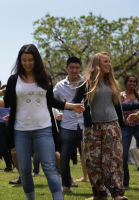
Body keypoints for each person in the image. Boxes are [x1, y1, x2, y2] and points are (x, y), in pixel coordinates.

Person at [0, 44, 85, 200]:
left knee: (49, 168)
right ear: (20, 60)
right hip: (21, 131)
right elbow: (6, 102)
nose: (27, 63)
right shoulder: (14, 80)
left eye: (30, 60)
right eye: (24, 60)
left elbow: (51, 100)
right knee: (25, 170)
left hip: (44, 129)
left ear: (36, 60)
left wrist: (72, 106)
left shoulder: (45, 77)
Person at [71, 52, 139, 200]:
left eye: (109, 62)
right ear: (97, 64)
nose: (109, 64)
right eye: (106, 61)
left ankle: (117, 194)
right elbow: (75, 101)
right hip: (92, 128)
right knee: (92, 162)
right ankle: (99, 194)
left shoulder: (111, 83)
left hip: (112, 125)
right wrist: (67, 106)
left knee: (113, 160)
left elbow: (118, 106)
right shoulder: (85, 83)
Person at [53, 56, 87, 191]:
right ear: (66, 68)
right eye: (71, 67)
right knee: (64, 157)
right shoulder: (59, 86)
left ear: (80, 68)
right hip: (68, 125)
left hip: (86, 124)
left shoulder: (86, 83)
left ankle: (100, 186)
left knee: (93, 157)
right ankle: (66, 185)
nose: (74, 70)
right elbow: (51, 101)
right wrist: (61, 109)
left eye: (77, 68)